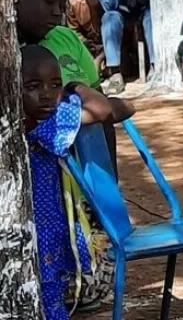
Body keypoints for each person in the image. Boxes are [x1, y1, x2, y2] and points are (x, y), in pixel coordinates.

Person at [23, 44, 134, 320]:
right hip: (45, 232)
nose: (47, 94)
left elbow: (121, 109)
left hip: (49, 228)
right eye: (34, 86)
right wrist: (77, 88)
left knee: (52, 291)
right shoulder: (46, 127)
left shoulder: (39, 120)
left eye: (55, 84)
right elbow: (109, 109)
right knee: (50, 295)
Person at [95, 0, 153, 96]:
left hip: (141, 9)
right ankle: (115, 72)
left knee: (151, 16)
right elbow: (106, 4)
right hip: (120, 11)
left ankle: (155, 67)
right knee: (109, 18)